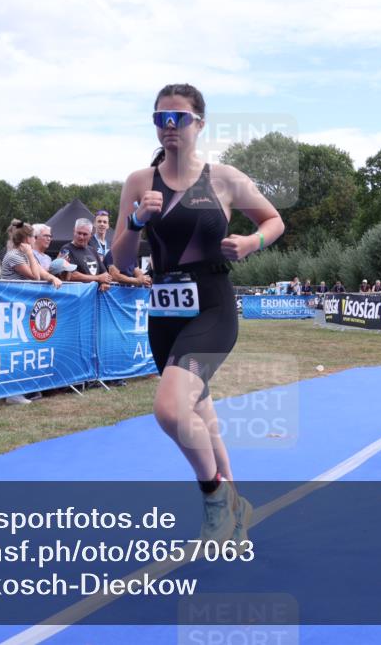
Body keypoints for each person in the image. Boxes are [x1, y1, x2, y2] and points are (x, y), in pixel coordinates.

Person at [110, 83, 284, 545]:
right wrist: (135, 224)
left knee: (170, 409)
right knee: (201, 416)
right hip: (163, 312)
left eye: (179, 118)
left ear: (199, 124)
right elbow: (122, 264)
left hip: (212, 304)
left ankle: (212, 499)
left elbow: (274, 221)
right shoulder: (138, 183)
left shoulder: (224, 177)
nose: (169, 126)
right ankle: (234, 509)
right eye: (160, 118)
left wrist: (251, 243)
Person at [1, 220, 62, 287]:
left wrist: (54, 279)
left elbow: (44, 274)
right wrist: (30, 254)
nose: (35, 240)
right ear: (27, 238)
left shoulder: (25, 255)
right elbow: (36, 277)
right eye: (34, 237)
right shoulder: (14, 256)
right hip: (12, 295)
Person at [58, 218, 112, 292]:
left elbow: (105, 274)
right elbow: (71, 275)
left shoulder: (92, 250)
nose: (81, 237)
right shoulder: (66, 250)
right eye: (79, 233)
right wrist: (98, 278)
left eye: (85, 234)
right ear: (74, 231)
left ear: (91, 234)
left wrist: (104, 283)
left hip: (93, 296)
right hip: (77, 295)